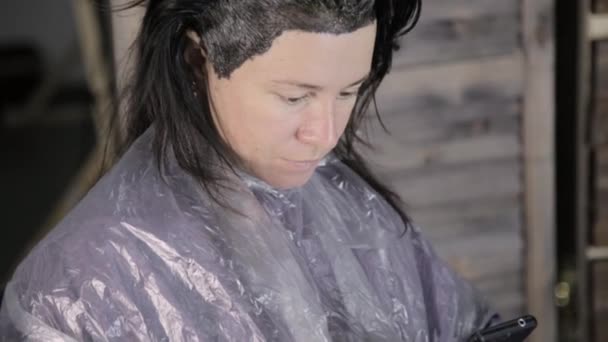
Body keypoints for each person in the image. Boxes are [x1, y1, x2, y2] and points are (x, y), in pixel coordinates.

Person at [0, 0, 499, 340]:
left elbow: (464, 322)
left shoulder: (353, 209)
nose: (324, 133)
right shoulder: (82, 282)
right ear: (199, 60)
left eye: (349, 92)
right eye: (294, 96)